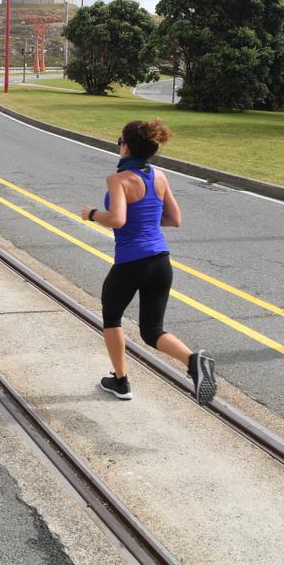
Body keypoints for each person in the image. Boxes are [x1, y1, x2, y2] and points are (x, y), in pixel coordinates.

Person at [80, 119, 216, 405]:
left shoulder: (118, 180)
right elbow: (174, 219)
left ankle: (120, 381)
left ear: (126, 146)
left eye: (120, 140)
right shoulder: (159, 176)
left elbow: (117, 219)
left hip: (131, 262)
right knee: (152, 330)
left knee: (112, 317)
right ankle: (193, 360)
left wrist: (92, 213)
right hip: (161, 262)